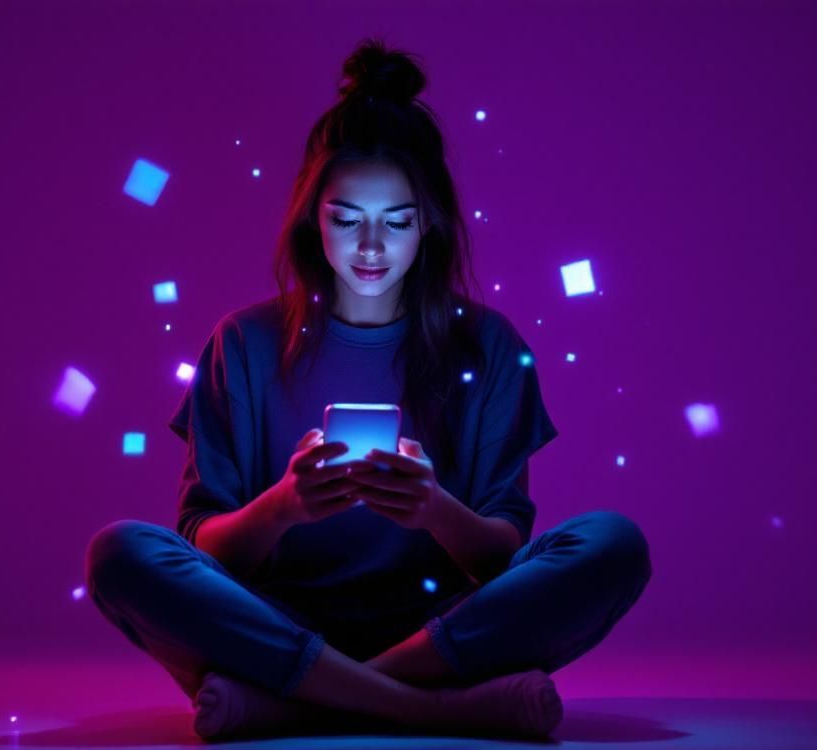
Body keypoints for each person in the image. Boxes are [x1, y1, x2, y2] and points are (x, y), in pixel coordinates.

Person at [84, 36, 651, 742]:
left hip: (443, 630)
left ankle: (303, 704)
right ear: (311, 219)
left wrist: (434, 510)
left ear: (430, 225)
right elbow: (204, 548)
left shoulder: (492, 348)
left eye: (398, 222)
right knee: (120, 554)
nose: (372, 248)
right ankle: (426, 706)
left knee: (613, 545)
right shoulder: (242, 345)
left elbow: (503, 558)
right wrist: (284, 508)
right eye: (347, 220)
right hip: (275, 628)